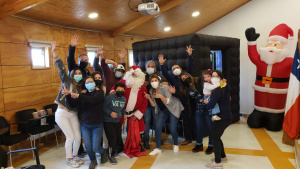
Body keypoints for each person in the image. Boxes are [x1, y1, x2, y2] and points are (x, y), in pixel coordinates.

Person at [51, 41, 84, 168]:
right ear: (72, 75)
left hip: (74, 114)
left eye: (79, 73)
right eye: (75, 73)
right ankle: (69, 159)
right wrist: (55, 53)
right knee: (70, 137)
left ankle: (75, 156)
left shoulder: (82, 87)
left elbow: (82, 98)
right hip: (62, 113)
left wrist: (74, 94)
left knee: (77, 136)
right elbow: (61, 68)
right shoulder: (66, 80)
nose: (77, 75)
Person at [62, 77, 105, 169]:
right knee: (88, 146)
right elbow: (72, 105)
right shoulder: (82, 94)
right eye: (87, 82)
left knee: (96, 147)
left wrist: (78, 95)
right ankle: (93, 161)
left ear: (95, 83)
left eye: (91, 82)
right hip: (85, 125)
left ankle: (103, 152)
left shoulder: (99, 93)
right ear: (85, 85)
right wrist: (67, 95)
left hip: (97, 125)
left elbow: (93, 100)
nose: (90, 83)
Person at [159, 45, 196, 145]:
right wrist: (162, 65)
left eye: (177, 67)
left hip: (190, 102)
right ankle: (188, 138)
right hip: (180, 103)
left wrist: (189, 55)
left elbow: (190, 66)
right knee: (186, 121)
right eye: (173, 68)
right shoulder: (172, 79)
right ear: (172, 71)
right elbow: (165, 74)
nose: (175, 69)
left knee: (192, 120)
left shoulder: (185, 76)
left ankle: (195, 138)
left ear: (180, 68)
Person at [110, 66, 148, 158]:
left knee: (138, 131)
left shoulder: (143, 88)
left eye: (136, 74)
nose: (134, 75)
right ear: (129, 74)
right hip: (122, 112)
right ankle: (119, 146)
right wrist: (112, 91)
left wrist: (137, 114)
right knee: (118, 129)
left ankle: (137, 146)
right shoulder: (123, 82)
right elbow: (114, 88)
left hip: (135, 113)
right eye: (133, 73)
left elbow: (144, 102)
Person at [146, 74, 184, 155]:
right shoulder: (151, 91)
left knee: (172, 128)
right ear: (150, 82)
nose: (154, 82)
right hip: (164, 110)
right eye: (152, 81)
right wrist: (149, 98)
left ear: (159, 81)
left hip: (173, 108)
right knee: (158, 126)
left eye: (155, 80)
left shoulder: (165, 87)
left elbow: (169, 101)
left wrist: (160, 96)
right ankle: (158, 148)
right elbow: (154, 105)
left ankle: (176, 144)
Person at [204, 70, 232, 169]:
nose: (214, 78)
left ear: (221, 78)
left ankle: (217, 162)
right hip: (224, 116)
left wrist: (206, 103)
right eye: (213, 76)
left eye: (216, 76)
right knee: (217, 136)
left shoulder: (219, 89)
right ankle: (222, 156)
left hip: (222, 117)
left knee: (215, 137)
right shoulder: (223, 87)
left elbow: (211, 104)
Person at [143, 60, 167, 149]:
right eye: (148, 67)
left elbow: (165, 83)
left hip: (156, 104)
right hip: (146, 104)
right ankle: (145, 140)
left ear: (155, 68)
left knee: (157, 122)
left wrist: (164, 83)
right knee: (147, 121)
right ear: (146, 68)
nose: (150, 68)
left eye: (152, 66)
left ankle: (158, 138)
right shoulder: (143, 76)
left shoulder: (159, 76)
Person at [189, 70, 214, 154]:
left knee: (211, 128)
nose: (207, 78)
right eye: (205, 77)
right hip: (199, 110)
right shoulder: (196, 86)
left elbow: (219, 92)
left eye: (208, 76)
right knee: (199, 127)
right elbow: (195, 98)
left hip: (209, 110)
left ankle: (211, 145)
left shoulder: (214, 84)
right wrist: (203, 101)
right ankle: (199, 144)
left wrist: (222, 82)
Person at [103, 82, 127, 164]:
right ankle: (110, 156)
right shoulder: (110, 97)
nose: (120, 91)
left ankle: (112, 152)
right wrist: (110, 113)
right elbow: (103, 107)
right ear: (115, 90)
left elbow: (122, 108)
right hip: (108, 121)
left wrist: (124, 115)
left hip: (117, 122)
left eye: (122, 90)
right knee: (112, 139)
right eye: (118, 90)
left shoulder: (124, 99)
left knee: (117, 139)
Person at [91, 71, 109, 164]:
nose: (97, 79)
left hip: (101, 113)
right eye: (95, 78)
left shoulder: (104, 88)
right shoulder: (88, 88)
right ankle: (93, 155)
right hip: (90, 115)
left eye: (99, 78)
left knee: (101, 135)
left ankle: (103, 153)